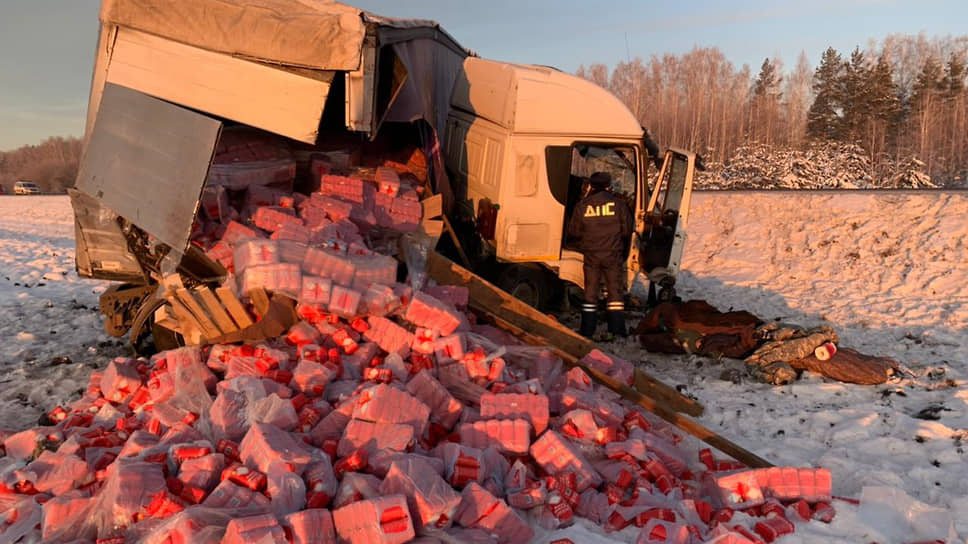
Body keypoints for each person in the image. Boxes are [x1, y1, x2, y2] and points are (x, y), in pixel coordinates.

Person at [567, 171, 634, 339]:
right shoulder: (619, 205)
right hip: (613, 255)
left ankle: (587, 329)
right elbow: (627, 230)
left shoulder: (582, 206)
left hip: (591, 255)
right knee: (614, 292)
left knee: (590, 292)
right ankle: (617, 329)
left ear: (591, 185)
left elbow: (573, 231)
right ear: (608, 185)